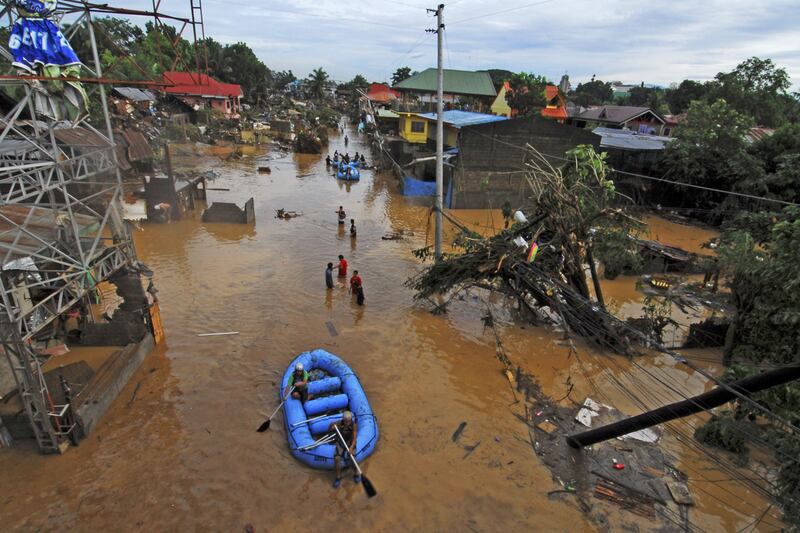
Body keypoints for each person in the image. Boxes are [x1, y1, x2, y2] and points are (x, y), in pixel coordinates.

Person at [330, 410, 358, 488]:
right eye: (345, 421)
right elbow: (330, 429)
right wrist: (331, 426)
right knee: (337, 458)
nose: (347, 423)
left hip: (350, 443)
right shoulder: (339, 423)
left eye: (348, 421)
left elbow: (355, 439)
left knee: (353, 458)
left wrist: (351, 448)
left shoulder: (354, 425)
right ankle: (338, 477)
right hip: (341, 443)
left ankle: (356, 473)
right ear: (343, 420)